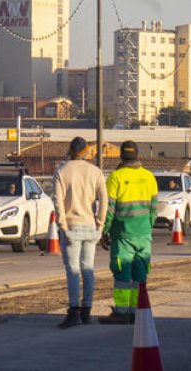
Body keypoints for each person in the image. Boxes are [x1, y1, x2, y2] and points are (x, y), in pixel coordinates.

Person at [51, 137, 109, 328]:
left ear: (70, 150)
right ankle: (87, 311)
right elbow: (104, 200)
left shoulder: (61, 171)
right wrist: (100, 225)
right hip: (90, 225)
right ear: (86, 151)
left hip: (71, 226)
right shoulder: (95, 172)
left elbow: (57, 201)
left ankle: (74, 309)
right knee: (88, 269)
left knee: (73, 270)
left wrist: (63, 225)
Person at [99, 141, 158, 324]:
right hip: (144, 234)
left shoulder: (115, 177)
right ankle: (136, 310)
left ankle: (123, 312)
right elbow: (154, 209)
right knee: (140, 275)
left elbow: (109, 209)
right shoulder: (149, 177)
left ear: (121, 156)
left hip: (123, 234)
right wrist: (147, 227)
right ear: (137, 155)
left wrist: (104, 230)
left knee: (122, 274)